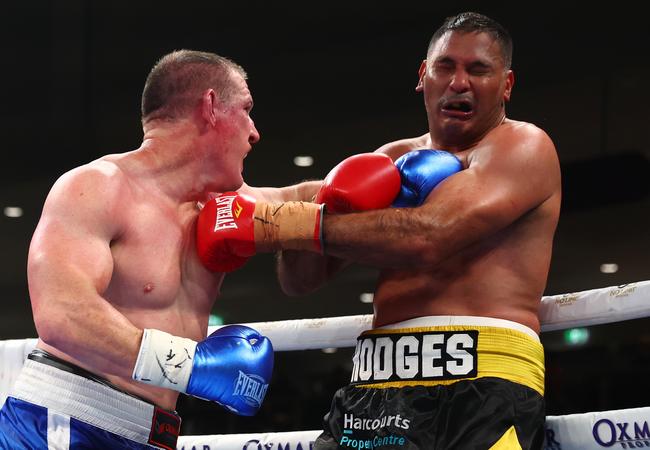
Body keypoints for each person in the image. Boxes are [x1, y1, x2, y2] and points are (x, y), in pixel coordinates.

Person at [198, 11, 561, 450]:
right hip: (375, 386)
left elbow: (430, 236)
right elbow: (299, 280)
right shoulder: (389, 160)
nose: (459, 82)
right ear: (423, 76)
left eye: (478, 69)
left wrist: (286, 224)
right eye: (446, 66)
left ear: (506, 85)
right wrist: (220, 203)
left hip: (480, 381)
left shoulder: (524, 146)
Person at [0, 49, 302, 450]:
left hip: (150, 433)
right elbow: (63, 315)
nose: (254, 131)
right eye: (246, 109)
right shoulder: (98, 186)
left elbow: (305, 199)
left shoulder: (221, 206)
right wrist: (193, 368)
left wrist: (400, 167)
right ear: (211, 106)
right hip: (63, 423)